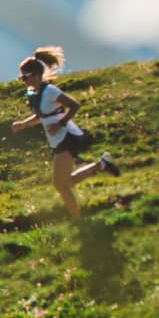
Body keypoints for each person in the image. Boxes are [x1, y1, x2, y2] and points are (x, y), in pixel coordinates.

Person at [10, 46, 120, 220]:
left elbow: (74, 105)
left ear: (37, 75)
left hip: (67, 136)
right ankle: (101, 165)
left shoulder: (51, 91)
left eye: (25, 76)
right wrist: (23, 124)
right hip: (55, 139)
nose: (23, 80)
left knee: (60, 185)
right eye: (21, 77)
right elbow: (41, 116)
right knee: (64, 183)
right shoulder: (32, 94)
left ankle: (77, 219)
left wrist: (60, 123)